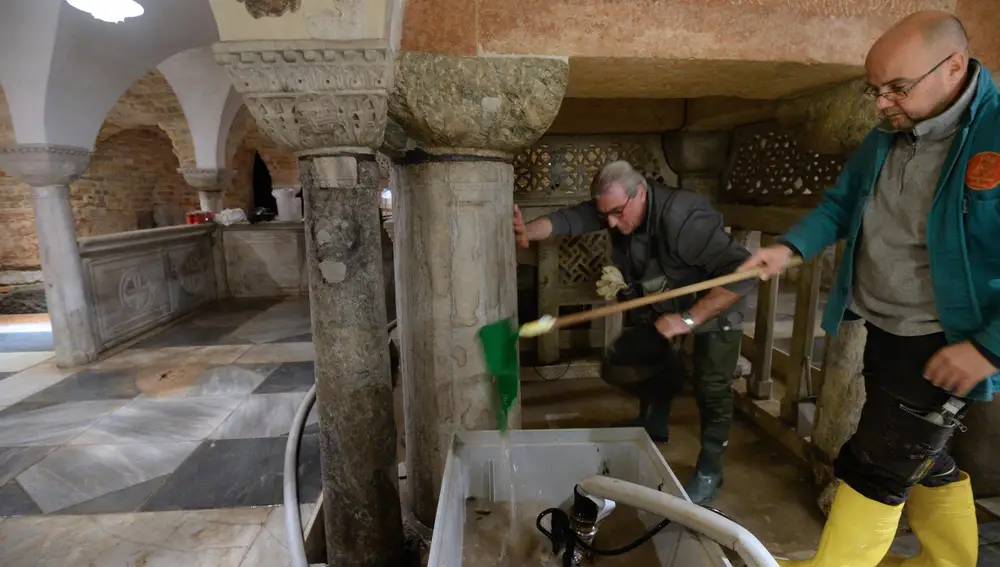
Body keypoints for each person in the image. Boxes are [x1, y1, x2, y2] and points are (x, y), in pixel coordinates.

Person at [739, 10, 1000, 567]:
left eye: (897, 89)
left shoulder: (995, 135)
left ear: (953, 67)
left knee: (875, 466)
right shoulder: (888, 135)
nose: (881, 104)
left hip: (947, 338)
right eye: (876, 90)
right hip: (883, 323)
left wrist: (988, 347)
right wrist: (790, 247)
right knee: (925, 457)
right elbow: (840, 202)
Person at [512, 159, 755, 504]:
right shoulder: (618, 207)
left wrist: (688, 319)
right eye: (605, 215)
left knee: (711, 384)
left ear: (639, 193)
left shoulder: (685, 218)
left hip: (716, 301)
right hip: (668, 291)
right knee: (638, 355)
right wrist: (529, 231)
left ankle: (710, 468)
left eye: (615, 214)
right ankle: (654, 421)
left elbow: (743, 272)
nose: (609, 223)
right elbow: (576, 217)